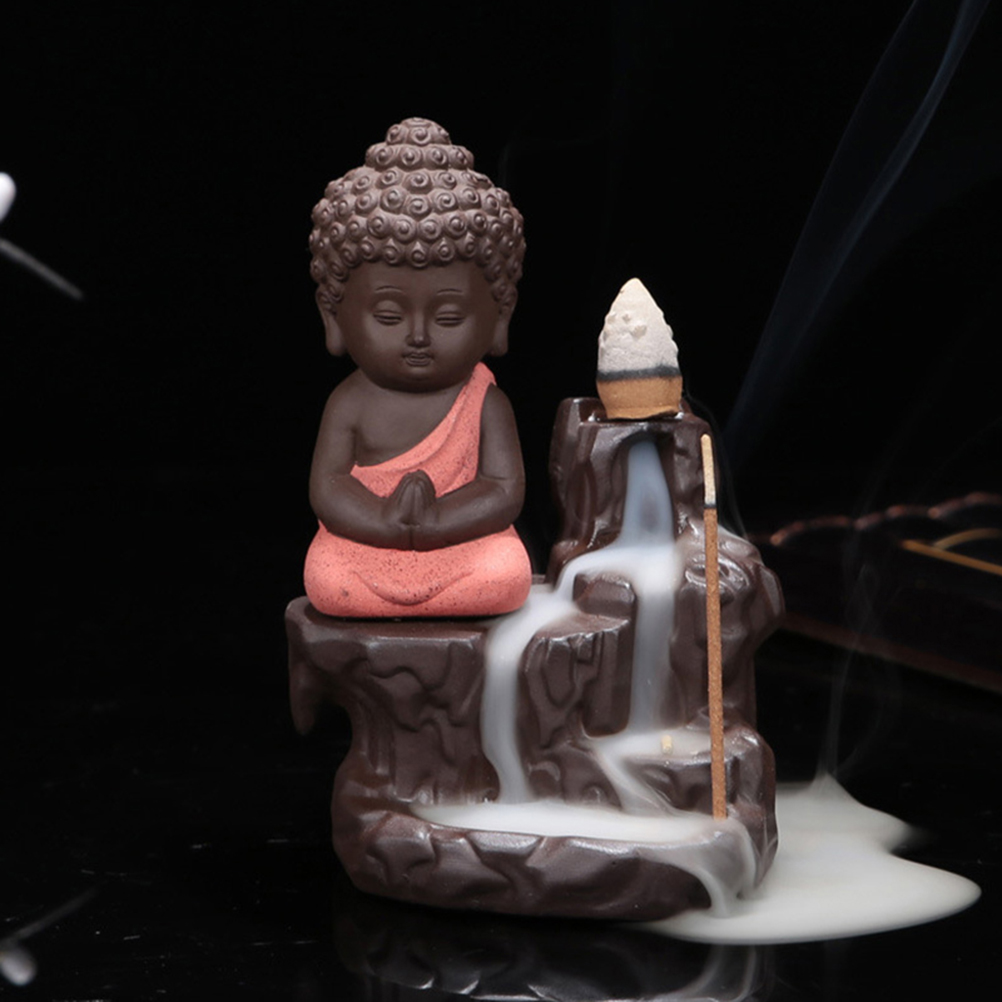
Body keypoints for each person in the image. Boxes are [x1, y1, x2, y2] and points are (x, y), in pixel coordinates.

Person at [303, 118, 532, 617]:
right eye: (389, 316)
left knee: (506, 573)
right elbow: (329, 487)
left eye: (449, 317)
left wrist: (438, 521)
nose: (420, 336)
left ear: (500, 318)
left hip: (461, 546)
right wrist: (384, 520)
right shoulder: (351, 401)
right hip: (366, 547)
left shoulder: (484, 400)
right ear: (333, 316)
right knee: (328, 576)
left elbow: (503, 489)